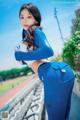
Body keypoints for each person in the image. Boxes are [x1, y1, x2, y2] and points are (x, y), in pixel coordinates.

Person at [14, 3, 75, 120]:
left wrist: (20, 55)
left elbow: (48, 51)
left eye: (29, 16)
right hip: (62, 71)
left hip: (52, 75)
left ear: (36, 19)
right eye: (22, 17)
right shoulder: (29, 38)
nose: (25, 20)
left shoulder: (36, 30)